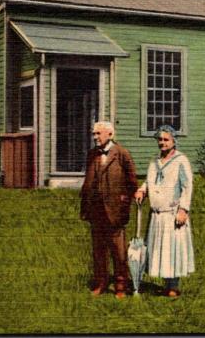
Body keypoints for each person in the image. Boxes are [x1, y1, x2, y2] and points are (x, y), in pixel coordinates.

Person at [134, 124, 195, 297]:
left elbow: (187, 186)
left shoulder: (181, 160)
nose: (162, 143)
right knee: (160, 248)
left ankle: (173, 286)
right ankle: (165, 284)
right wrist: (142, 190)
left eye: (166, 139)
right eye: (160, 139)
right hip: (157, 214)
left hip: (172, 213)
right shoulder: (154, 162)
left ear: (173, 141)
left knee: (173, 248)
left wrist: (183, 209)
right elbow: (149, 181)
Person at [80, 121, 138, 300]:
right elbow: (88, 181)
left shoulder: (121, 154)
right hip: (95, 210)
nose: (95, 137)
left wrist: (124, 203)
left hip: (115, 211)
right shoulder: (92, 154)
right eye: (94, 134)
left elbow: (132, 183)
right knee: (98, 249)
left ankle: (121, 284)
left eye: (98, 134)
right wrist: (85, 205)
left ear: (110, 134)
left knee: (118, 251)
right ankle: (101, 282)